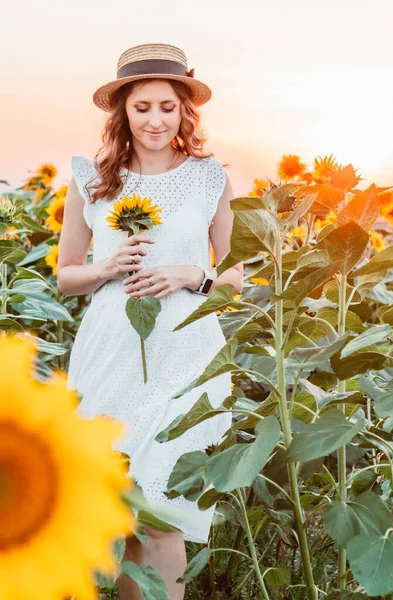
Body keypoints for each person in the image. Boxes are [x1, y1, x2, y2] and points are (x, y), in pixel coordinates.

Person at [58, 42, 244, 600]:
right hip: (112, 351)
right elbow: (66, 275)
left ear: (185, 110)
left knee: (163, 509)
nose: (155, 120)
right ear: (123, 113)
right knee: (119, 510)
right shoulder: (91, 179)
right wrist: (106, 267)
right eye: (142, 108)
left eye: (167, 106)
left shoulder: (210, 178)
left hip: (185, 353)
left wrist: (193, 274)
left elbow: (239, 278)